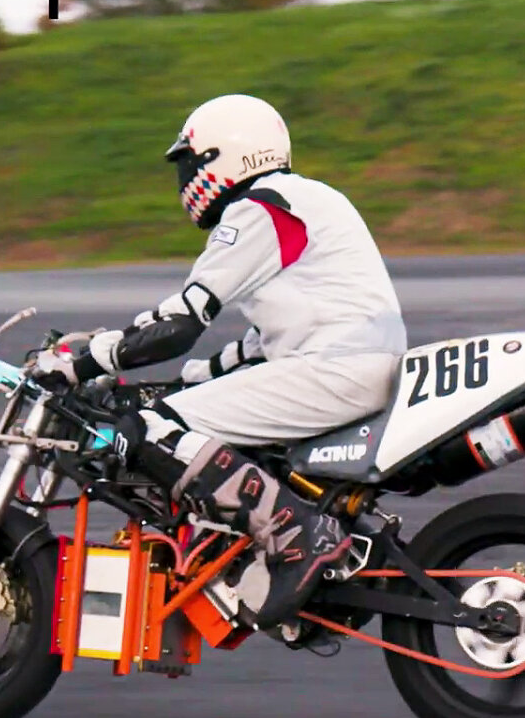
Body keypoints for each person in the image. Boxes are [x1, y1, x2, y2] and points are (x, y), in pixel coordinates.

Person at [32, 93, 408, 630]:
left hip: (334, 370)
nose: (184, 180)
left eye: (188, 162)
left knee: (152, 432)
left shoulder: (259, 209)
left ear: (220, 157)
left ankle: (296, 535)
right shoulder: (305, 199)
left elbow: (181, 322)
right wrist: (178, 385)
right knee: (179, 415)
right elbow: (253, 350)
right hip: (346, 364)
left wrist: (83, 361)